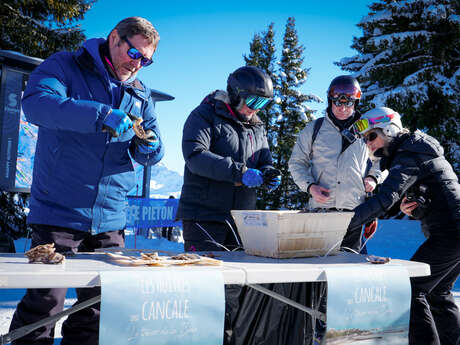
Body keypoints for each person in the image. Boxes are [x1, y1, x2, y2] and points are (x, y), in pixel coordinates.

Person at [9, 17, 164, 345]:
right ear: (114, 38)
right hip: (57, 214)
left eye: (146, 60)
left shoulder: (139, 93)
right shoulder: (66, 66)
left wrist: (151, 146)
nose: (137, 64)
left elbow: (153, 150)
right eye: (134, 53)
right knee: (45, 303)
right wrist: (100, 115)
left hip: (110, 221)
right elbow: (37, 105)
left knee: (99, 309)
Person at [349, 106, 460, 345]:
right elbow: (438, 195)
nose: (367, 143)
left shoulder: (409, 154)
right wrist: (417, 207)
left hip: (451, 234)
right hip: (452, 231)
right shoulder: (416, 151)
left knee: (409, 289)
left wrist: (344, 222)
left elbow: (386, 198)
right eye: (364, 139)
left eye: (371, 136)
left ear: (389, 129)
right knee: (438, 292)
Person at [176, 65, 281, 252]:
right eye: (253, 101)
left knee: (239, 278)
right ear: (235, 94)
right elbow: (195, 156)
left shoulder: (257, 127)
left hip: (243, 221)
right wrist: (240, 173)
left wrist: (268, 174)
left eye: (263, 104)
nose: (255, 110)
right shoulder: (205, 115)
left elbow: (265, 160)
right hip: (204, 217)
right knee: (207, 276)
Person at [288, 75, 384, 253]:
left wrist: (373, 177)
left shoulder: (368, 129)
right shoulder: (314, 129)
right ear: (329, 101)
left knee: (352, 271)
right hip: (321, 213)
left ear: (355, 102)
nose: (342, 107)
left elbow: (384, 159)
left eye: (348, 103)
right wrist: (310, 187)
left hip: (354, 213)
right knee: (317, 269)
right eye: (337, 102)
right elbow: (296, 163)